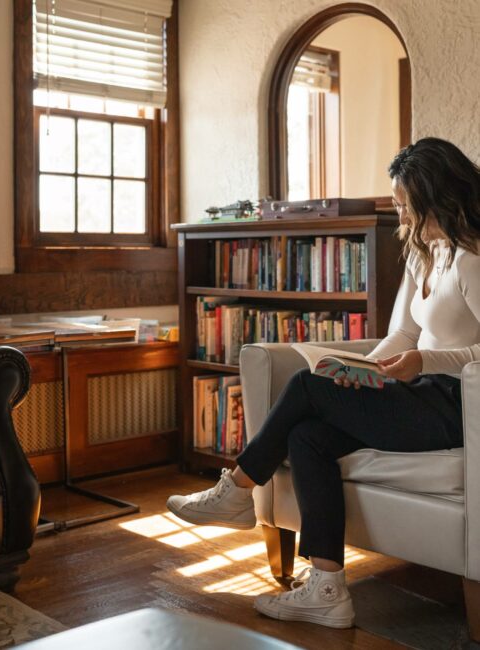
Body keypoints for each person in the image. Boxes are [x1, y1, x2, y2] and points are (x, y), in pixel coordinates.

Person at [167, 137, 480, 629]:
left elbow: (449, 351)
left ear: (434, 198)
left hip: (455, 403)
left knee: (306, 388)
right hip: (416, 393)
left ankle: (237, 489)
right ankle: (328, 588)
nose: (399, 218)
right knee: (306, 433)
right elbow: (402, 331)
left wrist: (424, 360)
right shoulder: (424, 252)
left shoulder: (471, 258)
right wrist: (363, 372)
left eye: (404, 207)